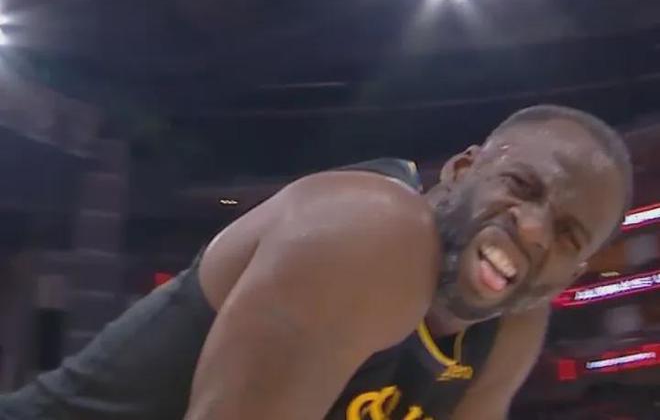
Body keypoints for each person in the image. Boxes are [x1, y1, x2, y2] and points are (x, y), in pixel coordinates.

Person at [0, 105, 632, 420]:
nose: (531, 231)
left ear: (571, 273)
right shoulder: (371, 231)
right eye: (521, 187)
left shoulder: (512, 329)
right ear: (462, 169)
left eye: (566, 235)